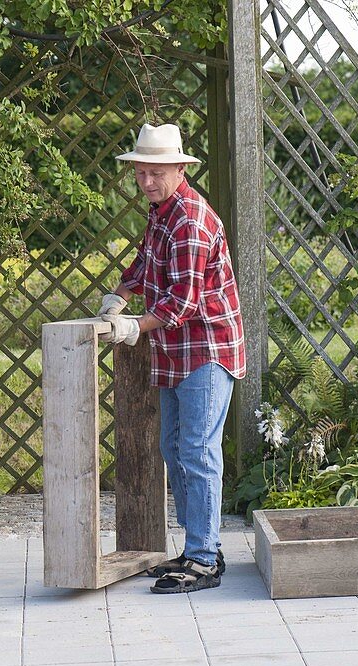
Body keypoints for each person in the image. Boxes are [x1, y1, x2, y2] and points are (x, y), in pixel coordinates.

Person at [97, 123, 246, 594]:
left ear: (181, 168)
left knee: (198, 452)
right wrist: (120, 294)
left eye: (156, 172)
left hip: (206, 349)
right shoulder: (161, 213)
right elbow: (145, 262)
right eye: (141, 172)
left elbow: (183, 302)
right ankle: (198, 546)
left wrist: (134, 325)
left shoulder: (191, 219)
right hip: (176, 352)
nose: (146, 181)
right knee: (174, 448)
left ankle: (204, 559)